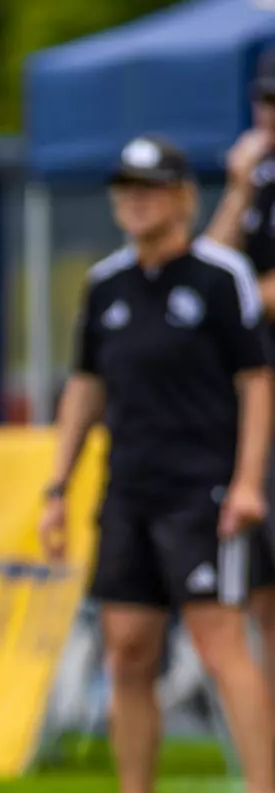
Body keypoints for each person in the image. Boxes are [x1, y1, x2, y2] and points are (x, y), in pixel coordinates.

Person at [41, 135, 275, 793]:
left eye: (149, 187)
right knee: (128, 649)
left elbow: (256, 381)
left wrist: (244, 482)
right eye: (125, 189)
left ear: (180, 196)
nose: (134, 200)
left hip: (199, 489)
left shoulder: (217, 275)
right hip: (129, 490)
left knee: (217, 641)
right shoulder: (106, 283)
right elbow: (85, 387)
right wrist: (57, 483)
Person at [207, 43, 275, 731]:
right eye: (265, 102)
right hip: (257, 415)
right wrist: (236, 187)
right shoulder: (260, 181)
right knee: (261, 598)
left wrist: (239, 299)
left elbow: (226, 296)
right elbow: (210, 266)